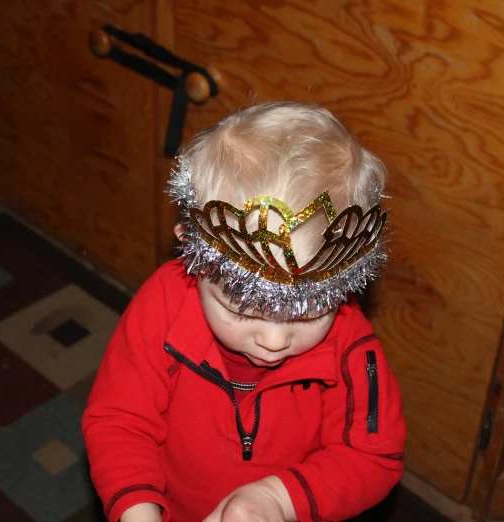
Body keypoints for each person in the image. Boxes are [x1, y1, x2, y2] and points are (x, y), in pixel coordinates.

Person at [82, 101, 406, 522]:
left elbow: (374, 456)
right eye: (243, 307)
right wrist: (137, 511)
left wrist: (277, 499)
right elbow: (120, 419)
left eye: (308, 312)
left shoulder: (351, 344)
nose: (273, 342)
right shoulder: (162, 302)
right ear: (195, 255)